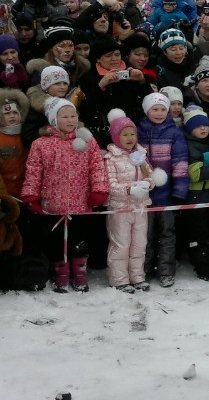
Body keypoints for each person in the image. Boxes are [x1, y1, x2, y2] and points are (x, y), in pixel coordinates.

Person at [21, 98, 109, 292]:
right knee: (57, 243)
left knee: (80, 241)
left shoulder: (87, 141)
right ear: (54, 119)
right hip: (52, 205)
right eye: (65, 116)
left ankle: (79, 274)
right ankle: (61, 274)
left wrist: (99, 189)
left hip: (81, 203)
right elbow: (34, 171)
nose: (70, 120)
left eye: (73, 116)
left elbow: (97, 167)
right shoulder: (41, 144)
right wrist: (30, 195)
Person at [103, 109, 163, 293]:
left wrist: (148, 184)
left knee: (139, 243)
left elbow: (150, 175)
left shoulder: (140, 155)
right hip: (120, 208)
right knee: (121, 244)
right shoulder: (111, 158)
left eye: (132, 134)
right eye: (125, 134)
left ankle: (137, 276)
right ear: (115, 136)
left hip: (140, 208)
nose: (130, 138)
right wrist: (129, 189)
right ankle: (119, 279)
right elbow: (110, 184)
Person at [138, 92, 189, 288]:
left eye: (163, 109)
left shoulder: (174, 133)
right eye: (155, 109)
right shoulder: (139, 131)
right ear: (146, 110)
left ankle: (166, 270)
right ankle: (145, 269)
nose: (159, 113)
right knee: (146, 234)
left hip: (167, 194)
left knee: (167, 233)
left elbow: (180, 163)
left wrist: (179, 191)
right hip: (144, 196)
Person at [181, 104, 209, 282]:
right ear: (190, 129)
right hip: (195, 194)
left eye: (205, 125)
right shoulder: (190, 146)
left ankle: (208, 262)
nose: (203, 128)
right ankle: (203, 267)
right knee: (198, 233)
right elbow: (196, 174)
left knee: (208, 231)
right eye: (198, 126)